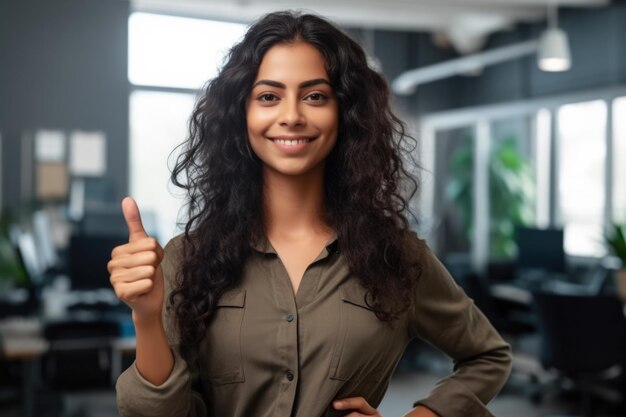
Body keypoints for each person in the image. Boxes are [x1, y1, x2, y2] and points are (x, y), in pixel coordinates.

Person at [108, 10, 512, 417]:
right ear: (240, 115)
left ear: (345, 113)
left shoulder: (397, 258)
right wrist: (145, 317)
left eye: (315, 96)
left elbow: (488, 357)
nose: (292, 116)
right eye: (268, 96)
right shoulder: (186, 259)